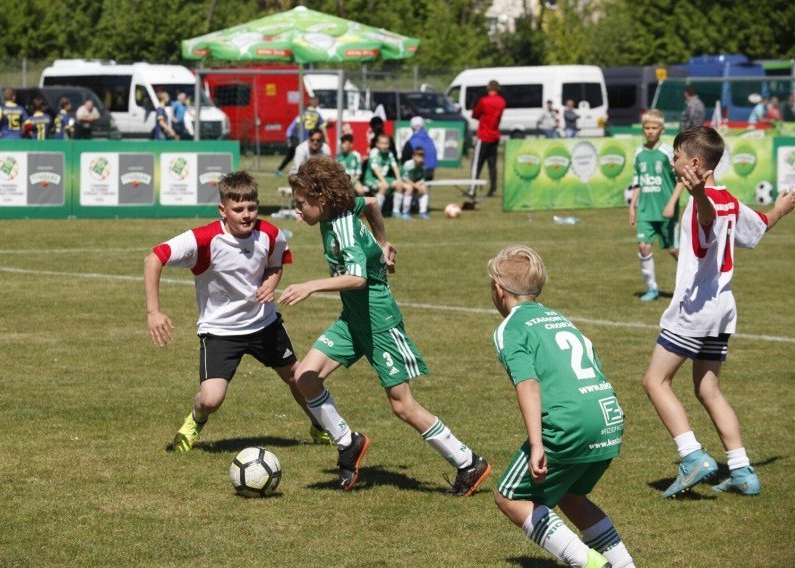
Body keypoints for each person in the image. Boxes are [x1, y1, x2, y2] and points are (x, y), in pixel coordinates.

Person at [278, 156, 491, 494]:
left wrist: (310, 285)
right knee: (305, 377)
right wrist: (383, 241)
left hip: (378, 320)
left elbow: (358, 279)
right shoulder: (337, 211)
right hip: (353, 318)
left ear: (321, 198)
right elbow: (374, 204)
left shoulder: (343, 228)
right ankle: (348, 442)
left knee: (402, 405)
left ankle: (468, 462)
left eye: (301, 203)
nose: (297, 210)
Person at [642, 126, 795, 498]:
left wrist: (697, 194)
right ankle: (742, 471)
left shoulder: (703, 202)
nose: (673, 163)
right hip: (723, 309)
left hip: (696, 308)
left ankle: (691, 455)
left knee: (654, 382)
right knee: (708, 388)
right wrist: (781, 208)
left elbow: (707, 222)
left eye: (676, 157)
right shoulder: (728, 198)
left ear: (695, 163)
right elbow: (758, 226)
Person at [144, 170, 333, 452]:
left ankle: (320, 426)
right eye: (238, 209)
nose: (246, 215)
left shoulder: (270, 233)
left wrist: (270, 283)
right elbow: (153, 258)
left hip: (264, 324)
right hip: (220, 331)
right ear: (223, 209)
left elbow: (275, 263)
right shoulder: (204, 239)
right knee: (211, 399)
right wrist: (153, 312)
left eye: (252, 208)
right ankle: (196, 420)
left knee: (299, 378)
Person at [488, 244, 634, 568]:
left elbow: (527, 383)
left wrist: (538, 443)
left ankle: (590, 564)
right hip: (607, 416)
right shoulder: (558, 317)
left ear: (498, 290)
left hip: (570, 425)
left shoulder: (510, 329)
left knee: (508, 497)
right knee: (571, 495)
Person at [628, 109, 683, 302]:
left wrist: (671, 203)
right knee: (643, 247)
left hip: (666, 210)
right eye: (647, 127)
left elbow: (681, 179)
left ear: (662, 129)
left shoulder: (667, 151)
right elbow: (637, 181)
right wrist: (632, 206)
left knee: (674, 250)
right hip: (645, 209)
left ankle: (691, 285)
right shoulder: (638, 153)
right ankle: (652, 288)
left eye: (654, 127)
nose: (650, 131)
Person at [469, 80, 505, 198]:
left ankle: (472, 189)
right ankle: (493, 189)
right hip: (495, 135)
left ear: (488, 88)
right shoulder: (501, 102)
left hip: (484, 135)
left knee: (477, 164)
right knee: (492, 164)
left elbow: (475, 114)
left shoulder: (484, 101)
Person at [363, 133, 403, 216]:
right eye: (382, 143)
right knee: (383, 186)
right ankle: (376, 213)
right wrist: (383, 181)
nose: (384, 146)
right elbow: (375, 169)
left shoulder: (389, 153)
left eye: (386, 143)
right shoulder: (374, 152)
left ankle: (396, 211)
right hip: (370, 178)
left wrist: (399, 179)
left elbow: (394, 166)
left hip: (384, 178)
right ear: (377, 144)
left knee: (399, 185)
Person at [400, 116, 437, 182]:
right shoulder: (430, 141)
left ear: (411, 127)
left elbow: (404, 161)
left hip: (417, 174)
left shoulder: (410, 142)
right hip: (430, 174)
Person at [401, 147, 429, 219]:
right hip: (403, 182)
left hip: (415, 183)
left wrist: (419, 185)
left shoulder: (423, 166)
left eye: (422, 155)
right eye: (419, 155)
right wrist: (415, 186)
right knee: (409, 188)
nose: (421, 157)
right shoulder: (408, 164)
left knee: (424, 188)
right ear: (413, 156)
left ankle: (423, 212)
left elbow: (422, 178)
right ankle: (405, 212)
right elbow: (404, 178)